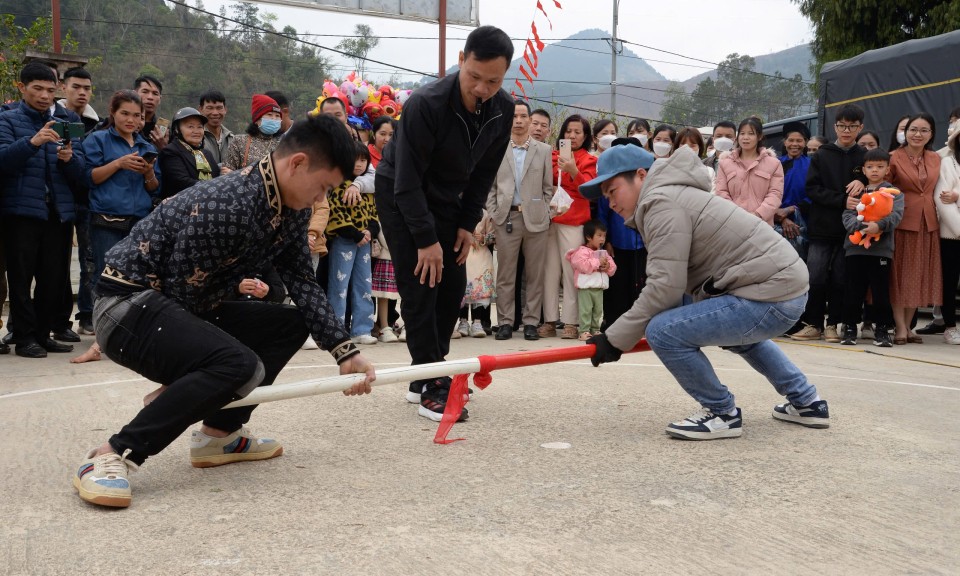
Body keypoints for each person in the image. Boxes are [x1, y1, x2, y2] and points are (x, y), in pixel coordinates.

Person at [71, 115, 375, 508]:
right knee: (238, 365)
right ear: (297, 163)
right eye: (323, 187)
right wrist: (187, 383)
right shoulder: (228, 203)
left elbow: (301, 279)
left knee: (288, 325)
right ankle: (113, 453)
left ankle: (219, 435)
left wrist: (344, 350)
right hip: (126, 307)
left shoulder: (291, 206)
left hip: (180, 304)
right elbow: (183, 292)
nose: (322, 200)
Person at [581, 144, 829, 440]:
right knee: (739, 338)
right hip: (782, 289)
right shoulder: (671, 195)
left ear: (641, 175)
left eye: (612, 190)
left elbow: (664, 288)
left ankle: (722, 412)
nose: (610, 202)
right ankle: (807, 402)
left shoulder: (661, 202)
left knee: (663, 331)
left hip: (771, 292)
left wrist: (614, 339)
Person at [374, 25, 514, 422]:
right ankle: (434, 381)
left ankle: (427, 373)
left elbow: (483, 174)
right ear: (461, 61)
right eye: (474, 76)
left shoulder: (502, 110)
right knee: (421, 282)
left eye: (493, 80)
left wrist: (466, 224)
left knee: (452, 283)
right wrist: (424, 239)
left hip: (450, 200)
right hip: (402, 193)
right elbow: (407, 181)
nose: (482, 88)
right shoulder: (427, 104)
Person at [0, 62, 86, 358]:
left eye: (50, 90)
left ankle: (43, 333)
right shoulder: (8, 120)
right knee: (21, 280)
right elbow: (3, 161)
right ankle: (24, 338)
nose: (44, 96)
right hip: (21, 213)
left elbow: (81, 172)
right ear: (22, 88)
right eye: (37, 89)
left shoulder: (68, 120)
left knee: (54, 278)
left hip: (58, 213)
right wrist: (33, 141)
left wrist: (69, 158)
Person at [790, 104, 867, 343]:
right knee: (816, 275)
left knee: (841, 278)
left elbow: (877, 177)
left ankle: (833, 324)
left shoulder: (864, 156)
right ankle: (813, 323)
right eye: (842, 125)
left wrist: (863, 180)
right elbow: (812, 189)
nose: (847, 130)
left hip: (851, 229)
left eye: (852, 126)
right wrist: (842, 200)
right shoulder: (822, 154)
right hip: (822, 226)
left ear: (860, 128)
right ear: (835, 126)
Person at [486, 99, 554, 340]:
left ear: (529, 118)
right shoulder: (496, 147)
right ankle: (505, 322)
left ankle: (531, 323)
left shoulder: (544, 150)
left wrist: (546, 212)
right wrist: (494, 213)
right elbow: (491, 187)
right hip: (506, 217)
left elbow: (549, 188)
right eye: (514, 116)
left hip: (536, 219)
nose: (519, 121)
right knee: (505, 274)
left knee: (535, 274)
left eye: (523, 116)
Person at [541, 114, 598, 339]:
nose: (572, 136)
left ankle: (571, 322)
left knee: (571, 273)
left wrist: (574, 171)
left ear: (585, 136)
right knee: (549, 272)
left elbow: (590, 191)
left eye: (577, 132)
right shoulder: (552, 156)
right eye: (568, 131)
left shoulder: (589, 160)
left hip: (574, 222)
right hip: (550, 220)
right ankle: (549, 320)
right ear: (562, 134)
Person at [839, 148, 903, 346]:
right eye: (870, 167)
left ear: (887, 169)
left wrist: (879, 226)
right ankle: (849, 327)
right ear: (863, 170)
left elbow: (897, 215)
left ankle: (882, 329)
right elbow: (847, 215)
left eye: (879, 166)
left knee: (880, 292)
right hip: (855, 249)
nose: (875, 170)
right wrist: (860, 227)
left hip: (881, 251)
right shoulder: (858, 192)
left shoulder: (893, 194)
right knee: (853, 290)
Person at [888, 113, 942, 345]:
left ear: (931, 134)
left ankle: (910, 327)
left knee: (917, 276)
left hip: (928, 223)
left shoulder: (935, 158)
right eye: (913, 129)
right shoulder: (893, 157)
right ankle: (900, 327)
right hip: (902, 221)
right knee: (900, 276)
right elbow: (882, 187)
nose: (917, 134)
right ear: (904, 132)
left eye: (924, 130)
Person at [58, 66, 100, 337]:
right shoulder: (50, 118)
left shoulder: (97, 125)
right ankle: (52, 322)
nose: (82, 92)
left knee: (89, 261)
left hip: (86, 200)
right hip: (56, 200)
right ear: (63, 87)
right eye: (76, 87)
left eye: (86, 88)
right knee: (55, 264)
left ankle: (84, 316)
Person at [325, 142, 379, 345]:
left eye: (363, 160)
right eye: (355, 159)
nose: (359, 164)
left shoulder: (367, 187)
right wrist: (356, 234)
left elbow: (374, 214)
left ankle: (362, 329)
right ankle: (336, 329)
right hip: (344, 241)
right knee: (339, 285)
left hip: (363, 242)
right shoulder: (338, 184)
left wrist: (369, 231)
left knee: (363, 284)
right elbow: (336, 214)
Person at [715, 117, 784, 227]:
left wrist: (757, 215)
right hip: (732, 224)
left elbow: (775, 195)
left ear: (759, 136)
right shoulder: (725, 163)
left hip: (762, 225)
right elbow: (721, 192)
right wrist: (736, 215)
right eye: (742, 133)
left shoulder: (774, 164)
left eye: (751, 134)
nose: (745, 138)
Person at [566, 219, 616, 340]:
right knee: (586, 310)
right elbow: (583, 265)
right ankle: (584, 330)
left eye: (604, 236)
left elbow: (613, 267)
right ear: (588, 237)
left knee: (598, 311)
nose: (602, 239)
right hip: (586, 287)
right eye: (599, 235)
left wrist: (608, 266)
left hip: (599, 287)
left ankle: (596, 330)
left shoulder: (603, 253)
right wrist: (598, 262)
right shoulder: (581, 252)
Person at [934, 124, 960, 344]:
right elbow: (943, 200)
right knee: (949, 284)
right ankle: (950, 326)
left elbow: (953, 196)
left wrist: (958, 194)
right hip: (950, 236)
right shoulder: (947, 164)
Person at [158, 107, 220, 198]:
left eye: (200, 127)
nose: (196, 131)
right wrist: (214, 187)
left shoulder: (206, 154)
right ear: (177, 129)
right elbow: (182, 182)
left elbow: (217, 177)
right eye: (190, 126)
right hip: (181, 206)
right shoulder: (170, 152)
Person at [776, 121, 812, 258]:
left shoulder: (813, 164)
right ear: (785, 142)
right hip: (776, 221)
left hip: (804, 222)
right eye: (790, 140)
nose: (794, 144)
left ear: (806, 142)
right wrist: (781, 218)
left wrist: (793, 209)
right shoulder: (775, 164)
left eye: (799, 140)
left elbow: (815, 193)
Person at [224, 94, 283, 171]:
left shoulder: (284, 143)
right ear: (257, 119)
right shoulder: (239, 141)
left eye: (277, 116)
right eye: (269, 115)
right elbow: (226, 173)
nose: (274, 119)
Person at [199, 90, 234, 173]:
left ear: (225, 110)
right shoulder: (196, 138)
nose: (215, 113)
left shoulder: (232, 139)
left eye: (219, 108)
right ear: (200, 109)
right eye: (209, 108)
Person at [134, 75, 167, 150]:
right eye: (145, 92)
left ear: (160, 99)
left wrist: (163, 147)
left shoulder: (163, 129)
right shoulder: (124, 123)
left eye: (155, 93)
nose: (150, 97)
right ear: (134, 94)